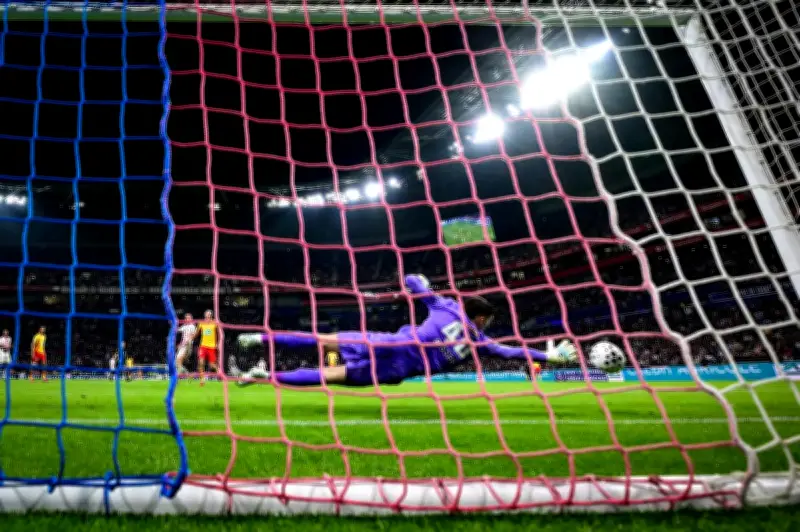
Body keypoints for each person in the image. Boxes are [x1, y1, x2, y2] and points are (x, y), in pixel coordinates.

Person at [237, 274, 577, 387]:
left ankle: (259, 338)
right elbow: (511, 352)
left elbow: (411, 279)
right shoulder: (480, 340)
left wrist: (423, 283)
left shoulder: (446, 306)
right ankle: (263, 377)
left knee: (322, 340)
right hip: (399, 370)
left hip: (393, 343)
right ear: (482, 318)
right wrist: (549, 355)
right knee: (328, 376)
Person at [194, 310, 219, 384]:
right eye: (206, 314)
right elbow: (196, 334)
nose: (207, 316)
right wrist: (191, 337)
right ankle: (202, 379)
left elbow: (219, 334)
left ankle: (220, 374)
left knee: (212, 365)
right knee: (201, 362)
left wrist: (218, 343)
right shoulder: (201, 323)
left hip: (212, 347)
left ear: (211, 315)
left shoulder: (215, 323)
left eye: (208, 314)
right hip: (203, 346)